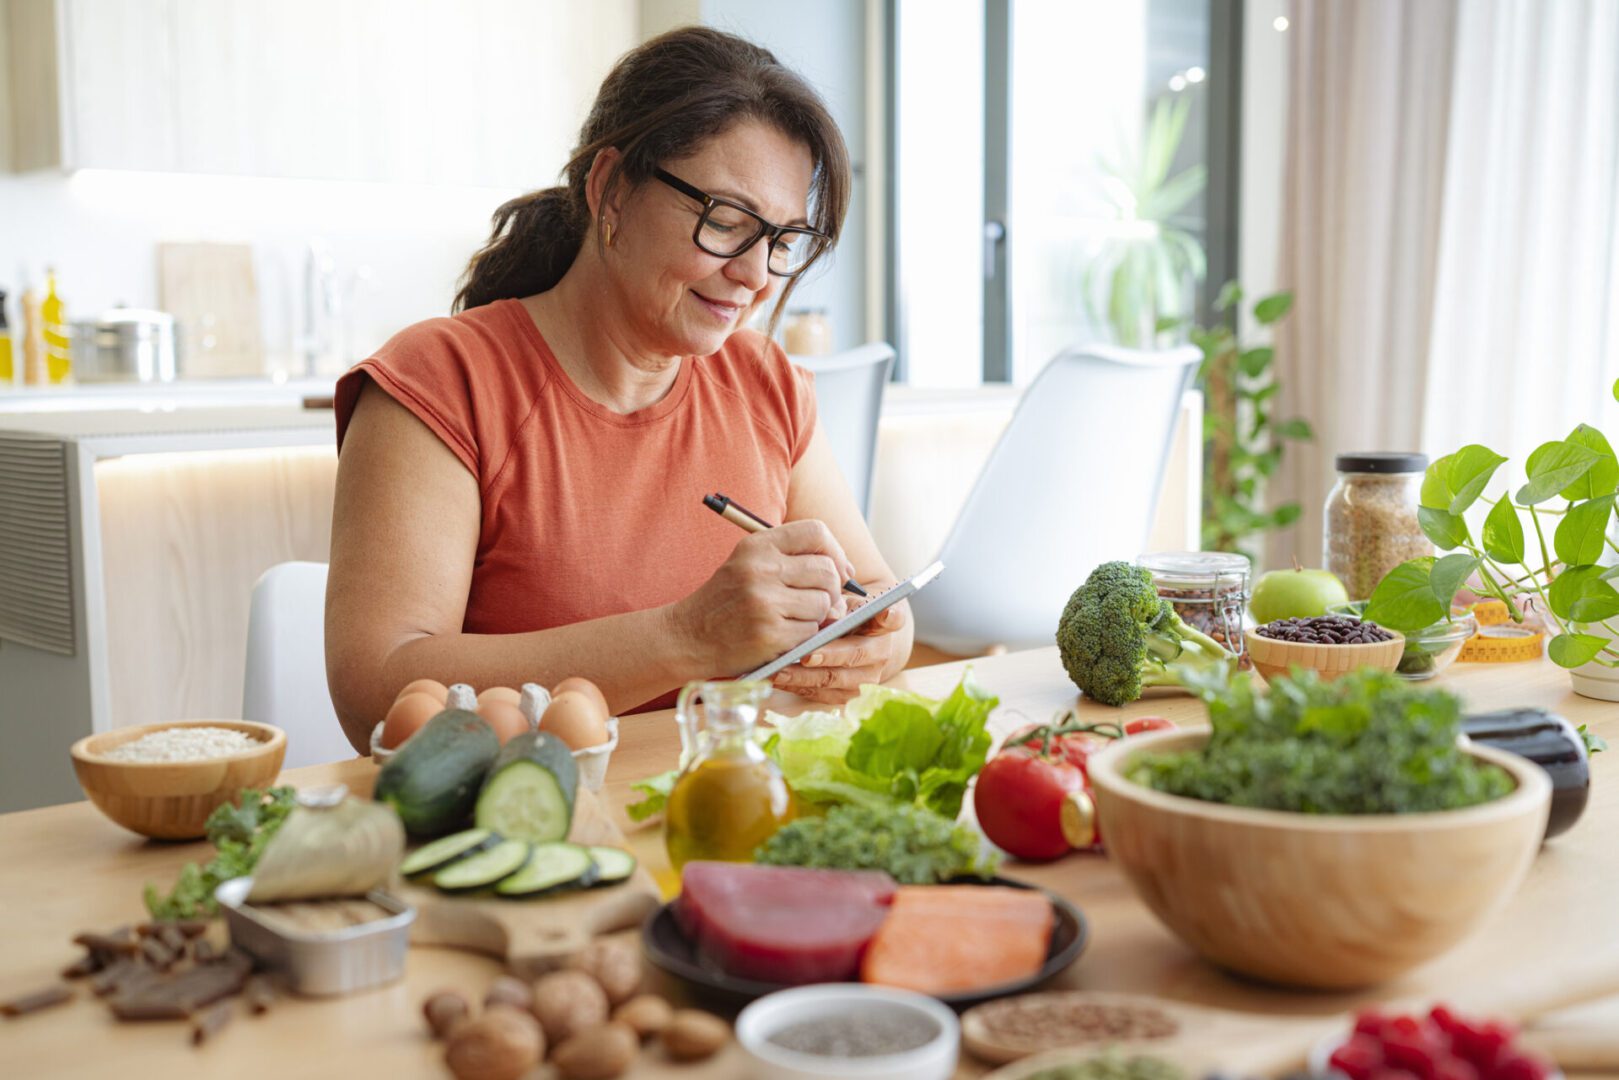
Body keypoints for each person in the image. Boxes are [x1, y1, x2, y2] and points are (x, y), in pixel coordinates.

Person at [326, 27, 912, 751]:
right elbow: (374, 690)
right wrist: (685, 637)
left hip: (728, 805)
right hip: (524, 822)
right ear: (609, 190)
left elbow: (877, 594)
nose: (757, 274)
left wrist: (881, 639)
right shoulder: (442, 382)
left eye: (784, 240)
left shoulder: (767, 383)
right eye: (725, 222)